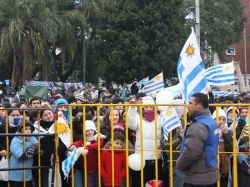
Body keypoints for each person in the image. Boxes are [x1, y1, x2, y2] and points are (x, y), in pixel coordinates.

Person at [176, 93, 219, 187]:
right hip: (209, 176)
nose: (187, 105)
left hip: (197, 179)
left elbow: (190, 153)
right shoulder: (211, 121)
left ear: (199, 105)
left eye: (190, 103)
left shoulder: (198, 126)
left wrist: (178, 164)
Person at [128, 96, 164, 186]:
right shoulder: (137, 118)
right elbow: (131, 125)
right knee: (139, 182)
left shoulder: (160, 118)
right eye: (146, 106)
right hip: (141, 157)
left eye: (151, 106)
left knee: (154, 183)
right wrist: (132, 109)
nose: (149, 108)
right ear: (143, 107)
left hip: (156, 157)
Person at [71, 120, 104, 187]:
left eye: (91, 130)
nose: (89, 132)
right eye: (87, 131)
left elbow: (98, 144)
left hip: (97, 169)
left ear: (94, 130)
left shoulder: (98, 137)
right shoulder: (84, 140)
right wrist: (74, 145)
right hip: (87, 170)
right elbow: (79, 142)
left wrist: (87, 147)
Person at [9, 121, 38, 187]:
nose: (28, 131)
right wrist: (32, 149)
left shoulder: (32, 138)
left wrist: (35, 148)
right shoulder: (15, 140)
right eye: (25, 128)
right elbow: (22, 156)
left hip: (28, 176)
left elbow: (37, 146)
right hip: (15, 176)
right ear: (20, 130)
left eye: (29, 129)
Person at [212, 108, 233, 186]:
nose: (222, 121)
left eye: (224, 119)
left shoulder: (229, 132)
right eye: (219, 119)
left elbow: (231, 150)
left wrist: (226, 134)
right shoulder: (208, 131)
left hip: (224, 165)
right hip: (212, 165)